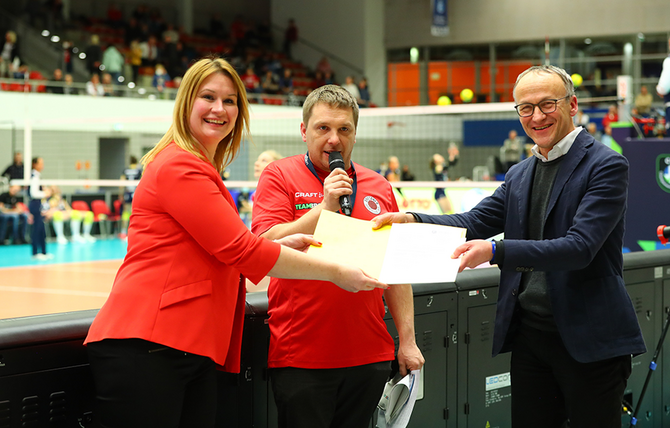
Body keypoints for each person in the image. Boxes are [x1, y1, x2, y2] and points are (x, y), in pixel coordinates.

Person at [84, 58, 386, 428]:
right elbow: (244, 251)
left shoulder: (199, 168)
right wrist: (336, 272)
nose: (219, 109)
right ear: (185, 103)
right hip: (152, 343)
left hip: (183, 346)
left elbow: (235, 247)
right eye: (208, 96)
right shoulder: (180, 166)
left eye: (230, 101)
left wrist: (284, 244)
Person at [373, 65, 646, 428]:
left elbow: (579, 248)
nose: (536, 116)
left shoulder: (606, 165)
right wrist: (412, 218)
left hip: (589, 338)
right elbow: (472, 221)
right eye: (525, 108)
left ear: (573, 104)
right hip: (531, 337)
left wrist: (496, 252)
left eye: (547, 103)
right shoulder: (520, 174)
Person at [252, 84, 424, 428]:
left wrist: (407, 341)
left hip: (370, 355)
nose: (334, 139)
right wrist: (323, 208)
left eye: (343, 129)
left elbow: (395, 268)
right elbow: (263, 243)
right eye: (323, 128)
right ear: (304, 131)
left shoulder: (378, 185)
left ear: (355, 134)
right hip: (302, 357)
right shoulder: (279, 175)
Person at [28, 157, 52, 260]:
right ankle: (35, 253)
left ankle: (43, 251)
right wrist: (44, 193)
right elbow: (33, 193)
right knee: (37, 229)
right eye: (40, 163)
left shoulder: (38, 176)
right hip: (35, 204)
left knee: (42, 229)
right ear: (34, 164)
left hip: (40, 204)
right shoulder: (33, 176)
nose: (42, 165)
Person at [118, 155, 142, 240]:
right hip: (136, 193)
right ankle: (134, 232)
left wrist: (120, 194)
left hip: (127, 193)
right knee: (134, 212)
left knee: (125, 212)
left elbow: (121, 183)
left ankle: (123, 232)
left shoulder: (125, 170)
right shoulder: (139, 170)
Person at [431, 142, 459, 214]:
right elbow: (447, 165)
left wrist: (453, 154)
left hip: (443, 192)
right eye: (438, 157)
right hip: (439, 193)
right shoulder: (437, 167)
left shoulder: (443, 166)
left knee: (450, 212)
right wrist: (451, 154)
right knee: (445, 214)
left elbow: (451, 163)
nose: (440, 156)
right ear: (435, 161)